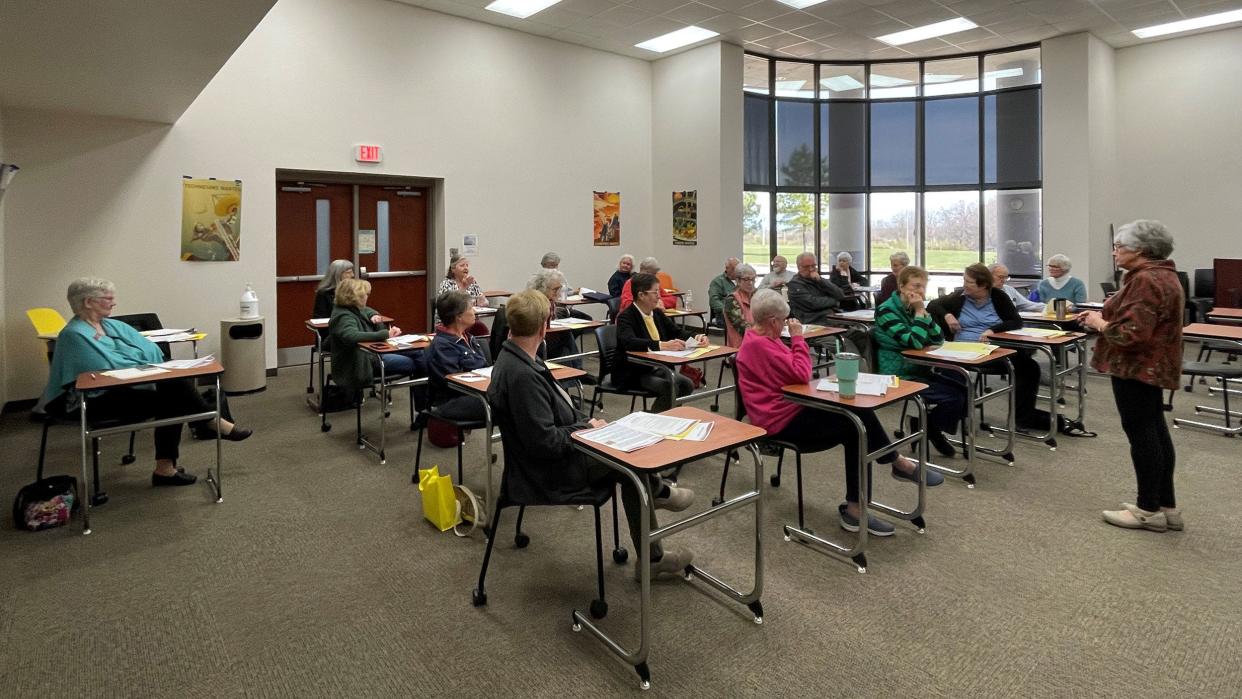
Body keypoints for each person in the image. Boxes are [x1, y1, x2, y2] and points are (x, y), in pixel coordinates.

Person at [487, 289, 694, 579]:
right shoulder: (521, 374)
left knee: (628, 449)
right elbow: (545, 443)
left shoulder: (518, 357)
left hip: (561, 452)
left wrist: (588, 426)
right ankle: (655, 512)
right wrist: (585, 427)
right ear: (544, 326)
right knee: (630, 463)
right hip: (547, 471)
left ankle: (655, 504)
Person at [736, 289, 942, 537]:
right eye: (783, 320)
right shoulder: (761, 345)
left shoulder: (765, 338)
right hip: (781, 421)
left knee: (855, 419)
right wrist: (799, 339)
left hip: (794, 406)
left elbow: (794, 375)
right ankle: (891, 470)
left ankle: (871, 492)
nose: (787, 325)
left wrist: (791, 344)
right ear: (773, 321)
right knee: (855, 425)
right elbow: (801, 374)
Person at [41, 278, 252, 488]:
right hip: (89, 399)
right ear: (88, 302)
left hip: (126, 387)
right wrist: (140, 361)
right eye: (108, 299)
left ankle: (190, 442)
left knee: (174, 388)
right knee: (174, 393)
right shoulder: (73, 335)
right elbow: (108, 370)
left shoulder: (113, 325)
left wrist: (138, 362)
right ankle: (204, 428)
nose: (114, 303)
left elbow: (152, 351)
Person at [1078, 220, 1184, 532]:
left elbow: (1131, 335)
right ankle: (1167, 506)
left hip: (1137, 368)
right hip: (1153, 366)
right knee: (1156, 433)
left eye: (1119, 247)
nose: (1114, 252)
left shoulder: (1146, 281)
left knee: (1143, 436)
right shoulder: (1164, 275)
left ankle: (1147, 510)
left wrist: (1098, 323)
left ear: (1139, 249)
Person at [928, 263, 1051, 432]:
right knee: (953, 374)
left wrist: (993, 329)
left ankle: (1023, 417)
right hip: (961, 351)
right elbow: (933, 305)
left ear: (983, 285)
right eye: (964, 280)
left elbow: (1015, 321)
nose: (964, 285)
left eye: (969, 282)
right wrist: (947, 315)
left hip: (990, 349)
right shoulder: (959, 297)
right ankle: (947, 423)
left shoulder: (999, 297)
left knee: (1030, 367)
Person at [873, 266, 966, 457]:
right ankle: (931, 430)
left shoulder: (915, 308)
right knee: (954, 397)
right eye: (916, 286)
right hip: (898, 374)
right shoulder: (885, 311)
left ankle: (924, 426)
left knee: (964, 391)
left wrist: (922, 314)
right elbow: (914, 342)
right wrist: (919, 312)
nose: (920, 292)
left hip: (919, 369)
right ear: (901, 286)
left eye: (923, 287)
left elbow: (938, 337)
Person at [615, 273, 705, 411]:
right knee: (670, 387)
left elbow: (676, 332)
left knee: (687, 384)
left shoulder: (657, 313)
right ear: (641, 295)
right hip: (635, 371)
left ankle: (665, 415)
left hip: (659, 367)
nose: (659, 296)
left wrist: (697, 336)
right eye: (655, 292)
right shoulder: (626, 317)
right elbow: (629, 342)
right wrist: (661, 345)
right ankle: (654, 421)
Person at [329, 278, 423, 394]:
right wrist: (385, 334)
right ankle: (426, 401)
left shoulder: (354, 309)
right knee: (416, 362)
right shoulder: (343, 316)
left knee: (420, 353)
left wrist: (374, 316)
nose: (367, 297)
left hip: (375, 351)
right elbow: (352, 336)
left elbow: (368, 310)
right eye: (364, 294)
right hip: (366, 360)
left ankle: (427, 400)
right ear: (354, 297)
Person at [787, 252, 869, 358]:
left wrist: (821, 281)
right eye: (807, 267)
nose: (811, 269)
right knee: (845, 345)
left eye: (814, 266)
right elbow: (813, 303)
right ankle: (853, 372)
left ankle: (869, 369)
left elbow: (840, 294)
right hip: (814, 326)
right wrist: (834, 301)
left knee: (862, 336)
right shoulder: (795, 284)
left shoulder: (818, 280)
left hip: (833, 323)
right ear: (799, 267)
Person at [427, 290, 490, 421]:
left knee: (510, 397)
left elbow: (483, 366)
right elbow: (454, 382)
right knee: (505, 401)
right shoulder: (442, 346)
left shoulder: (469, 337)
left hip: (476, 392)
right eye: (471, 308)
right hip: (452, 401)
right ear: (458, 316)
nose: (475, 312)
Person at [528, 268, 578, 363]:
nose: (558, 292)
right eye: (555, 289)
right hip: (537, 342)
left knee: (566, 337)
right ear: (543, 289)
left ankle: (576, 371)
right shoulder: (537, 303)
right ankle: (575, 372)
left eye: (559, 288)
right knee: (565, 341)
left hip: (547, 337)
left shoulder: (550, 301)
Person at [436, 251, 490, 335]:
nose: (466, 268)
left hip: (468, 320)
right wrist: (464, 287)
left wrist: (481, 298)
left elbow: (484, 302)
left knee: (481, 328)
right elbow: (450, 305)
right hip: (451, 322)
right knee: (479, 327)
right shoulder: (446, 284)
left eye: (467, 265)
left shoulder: (472, 282)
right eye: (462, 265)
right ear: (453, 269)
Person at [722, 263, 757, 347]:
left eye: (753, 279)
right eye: (746, 279)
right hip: (741, 346)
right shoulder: (732, 299)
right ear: (738, 281)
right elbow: (743, 328)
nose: (751, 283)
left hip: (757, 341)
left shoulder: (757, 295)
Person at [707, 257, 740, 328]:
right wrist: (728, 311)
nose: (737, 271)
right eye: (734, 269)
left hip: (740, 312)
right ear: (727, 268)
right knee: (742, 323)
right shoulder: (718, 281)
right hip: (724, 315)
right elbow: (714, 301)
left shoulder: (742, 281)